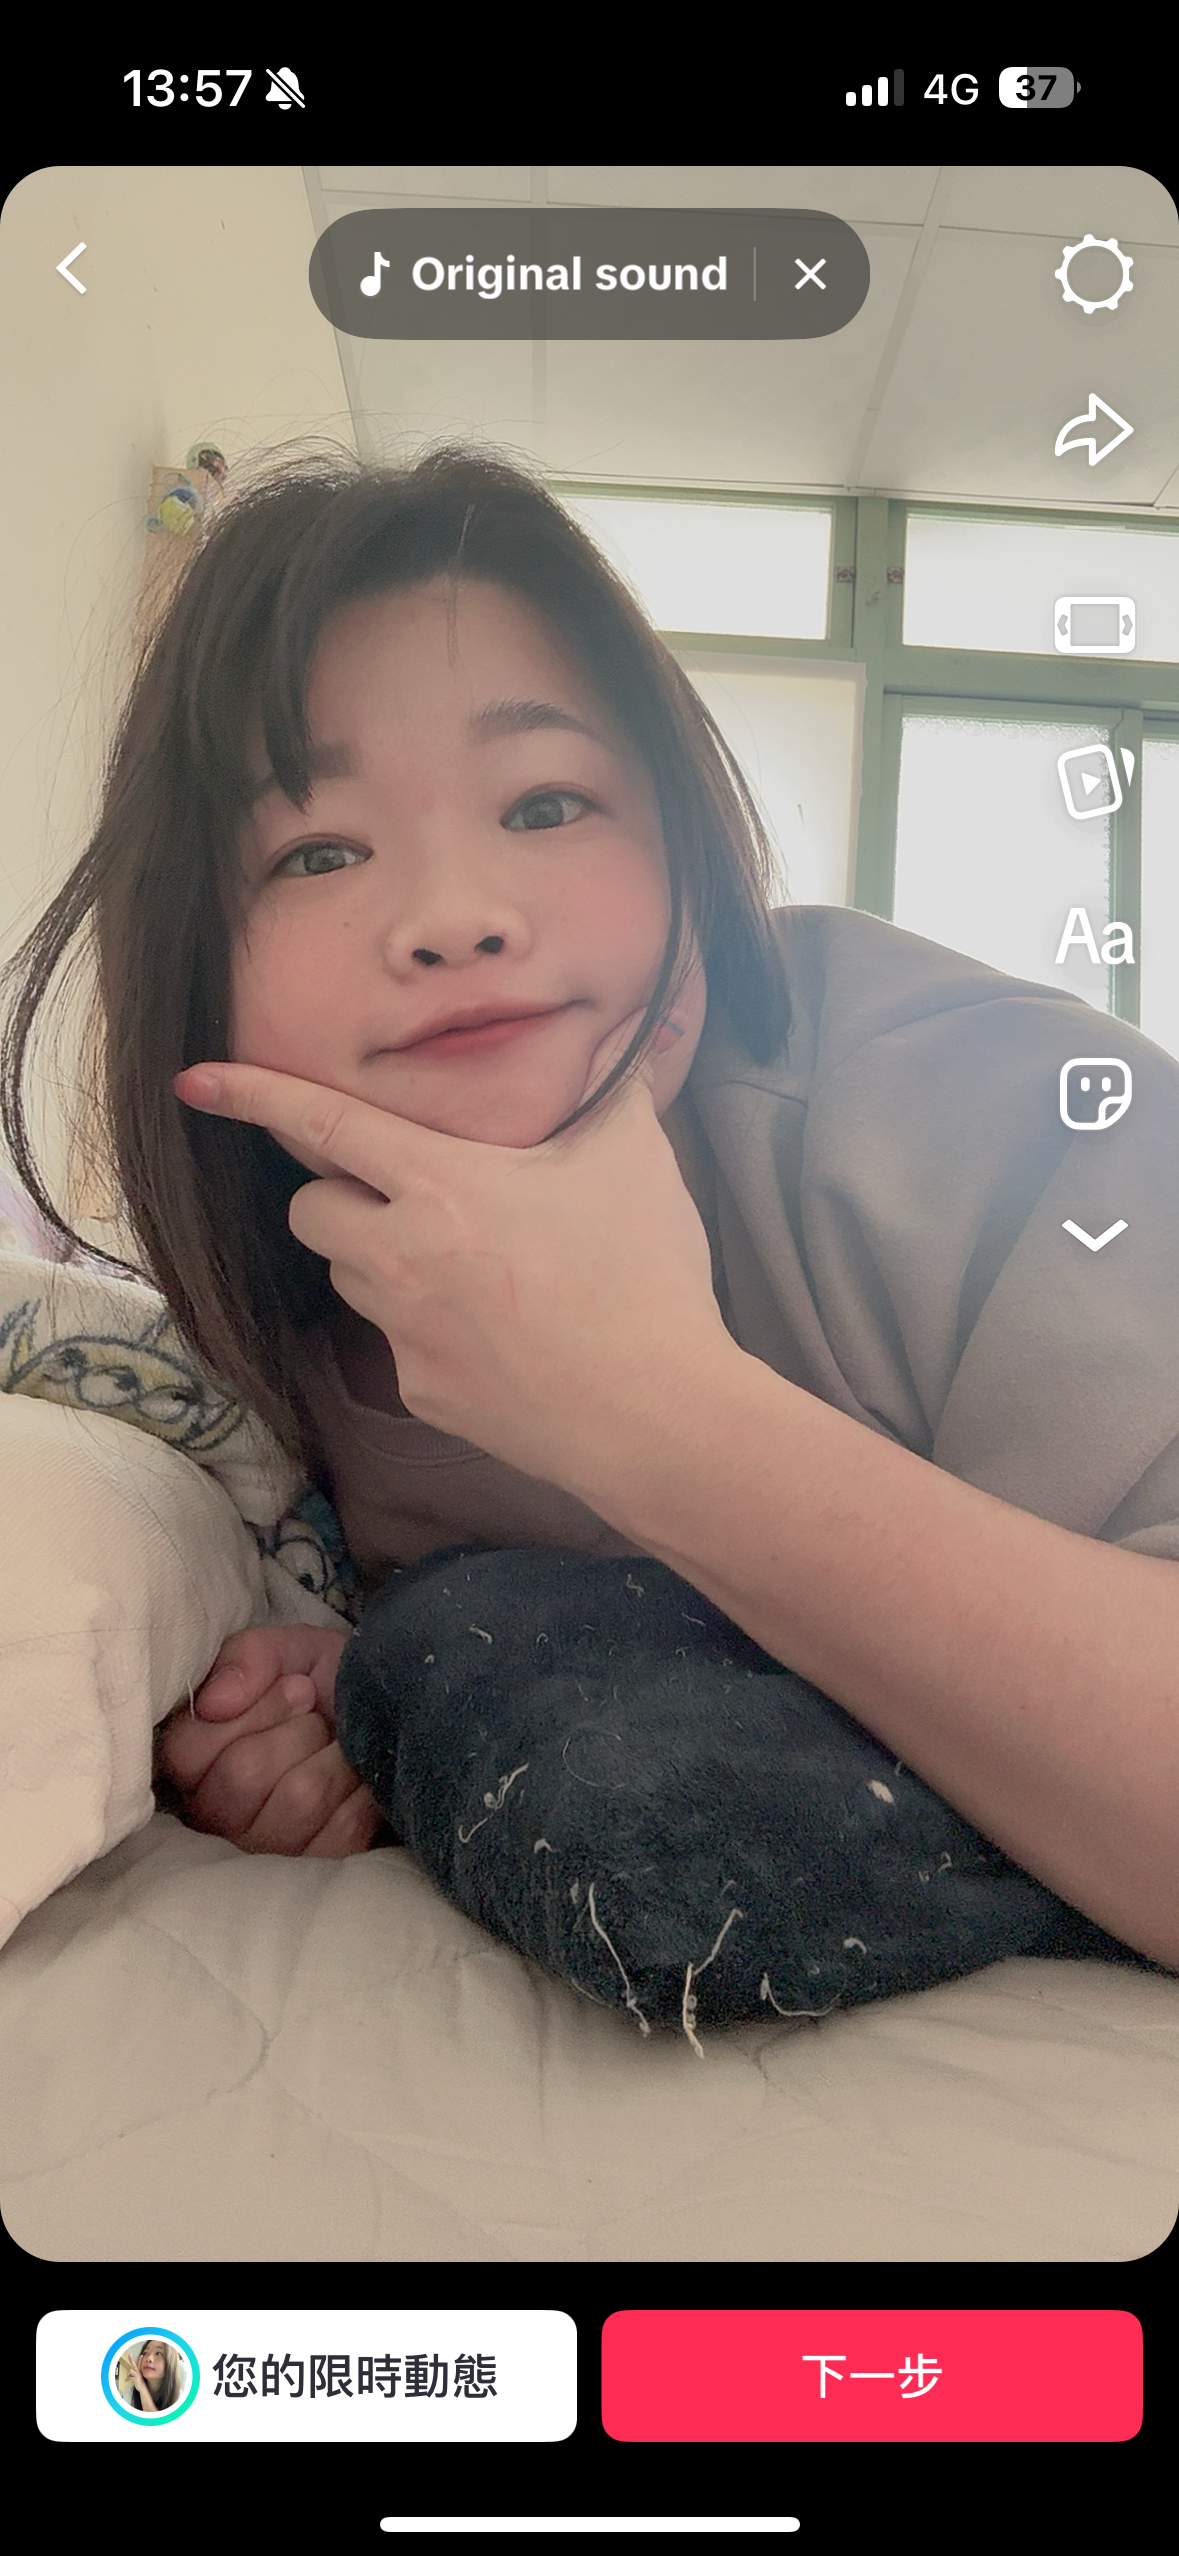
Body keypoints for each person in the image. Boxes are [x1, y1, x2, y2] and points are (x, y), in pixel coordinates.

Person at [3, 447, 1178, 2039]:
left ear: (686, 850)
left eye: (547, 803)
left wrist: (646, 1407)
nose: (455, 915)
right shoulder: (291, 1327)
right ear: (197, 973)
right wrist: (368, 1693)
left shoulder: (987, 1116)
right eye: (316, 852)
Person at [114, 2339, 183, 2413]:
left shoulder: (178, 2396)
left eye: (158, 2353)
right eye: (145, 2353)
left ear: (171, 2362)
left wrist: (142, 2388)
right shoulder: (130, 2392)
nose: (148, 2358)